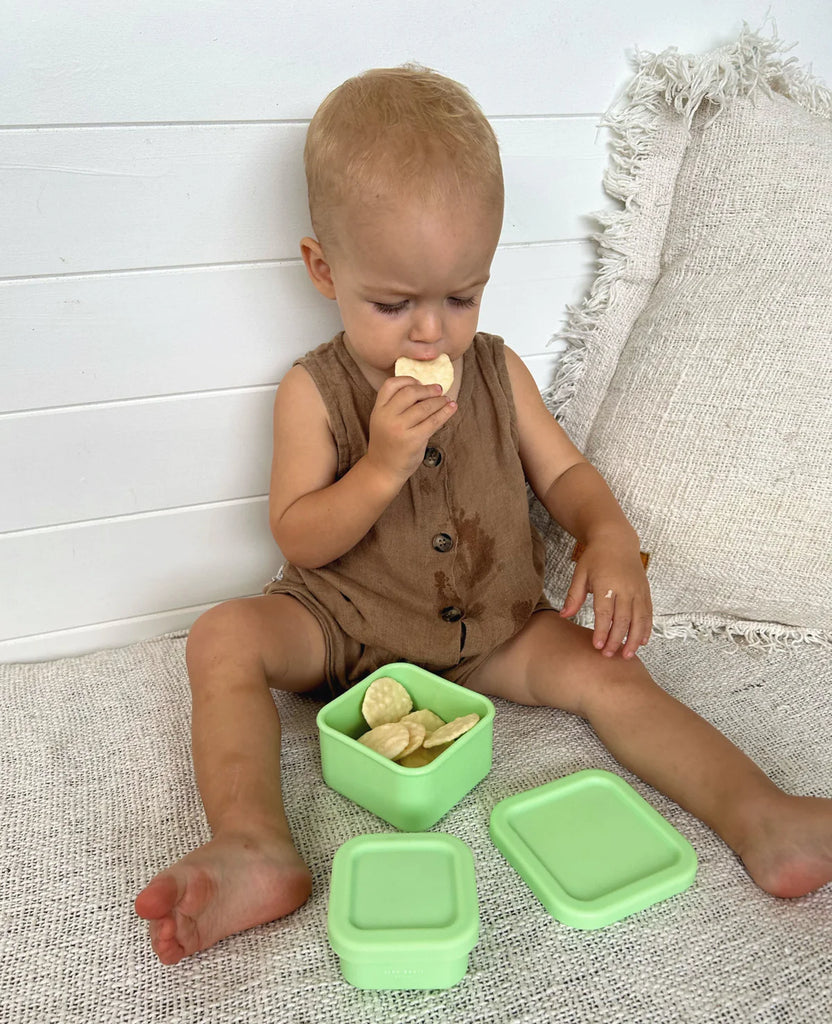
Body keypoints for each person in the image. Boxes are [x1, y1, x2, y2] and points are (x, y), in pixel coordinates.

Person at [135, 65, 832, 965]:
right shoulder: (315, 391)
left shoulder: (499, 372)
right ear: (324, 269)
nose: (431, 333)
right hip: (342, 626)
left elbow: (566, 473)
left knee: (613, 673)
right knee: (223, 636)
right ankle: (253, 843)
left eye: (461, 296)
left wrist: (608, 533)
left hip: (496, 627)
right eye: (393, 304)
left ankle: (762, 815)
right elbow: (299, 535)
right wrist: (380, 468)